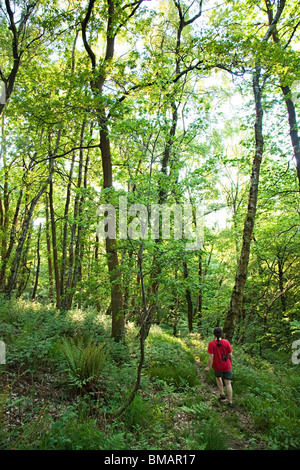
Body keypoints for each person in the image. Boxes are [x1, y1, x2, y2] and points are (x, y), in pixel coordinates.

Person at [204, 327, 234, 408]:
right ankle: (230, 401)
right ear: (222, 334)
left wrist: (207, 367)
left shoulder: (211, 343)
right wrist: (230, 362)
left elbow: (211, 356)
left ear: (213, 334)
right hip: (227, 365)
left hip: (217, 366)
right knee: (228, 383)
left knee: (218, 378)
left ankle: (222, 393)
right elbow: (230, 354)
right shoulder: (226, 342)